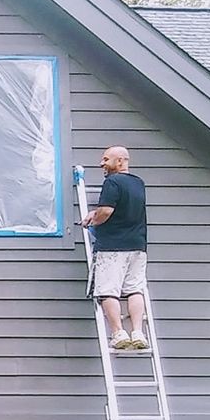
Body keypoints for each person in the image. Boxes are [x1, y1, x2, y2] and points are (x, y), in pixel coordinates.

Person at [84, 145, 149, 350]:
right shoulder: (139, 183)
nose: (101, 163)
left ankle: (118, 333)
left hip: (113, 247)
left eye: (105, 159)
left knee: (107, 291)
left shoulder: (112, 182)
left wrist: (92, 220)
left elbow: (106, 211)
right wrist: (97, 213)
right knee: (134, 290)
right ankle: (138, 332)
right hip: (138, 246)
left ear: (120, 161)